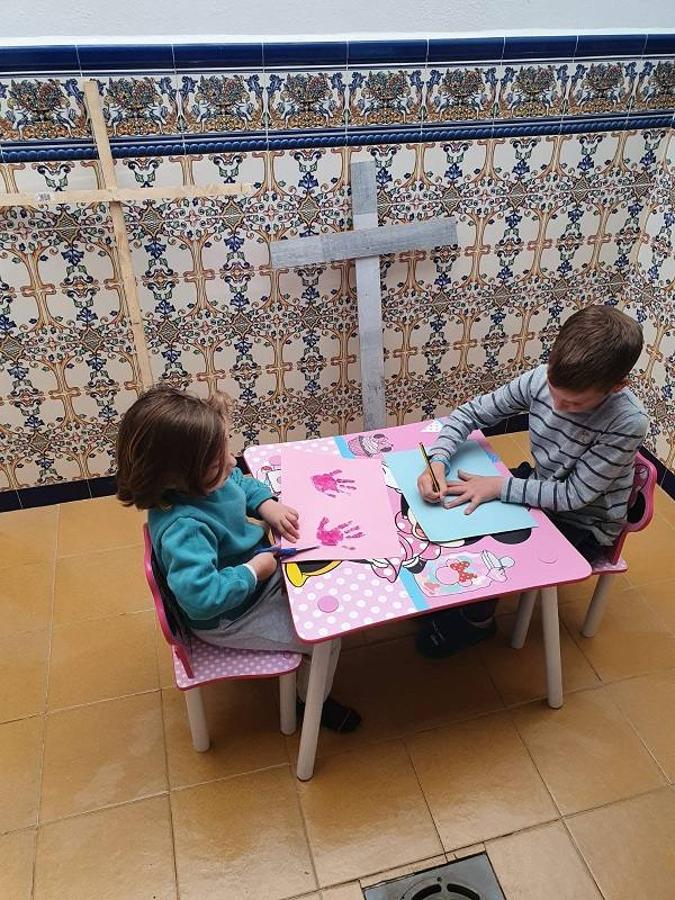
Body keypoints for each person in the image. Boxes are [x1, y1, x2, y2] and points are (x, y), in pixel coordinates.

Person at [116, 385, 361, 732]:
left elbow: (239, 484)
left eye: (226, 450)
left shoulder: (205, 479)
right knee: (327, 635)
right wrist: (252, 572)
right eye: (218, 463)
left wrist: (266, 504)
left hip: (258, 570)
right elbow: (201, 599)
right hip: (229, 616)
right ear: (175, 478)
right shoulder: (184, 529)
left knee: (332, 574)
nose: (232, 463)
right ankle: (312, 705)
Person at [416, 305, 648, 658]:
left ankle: (477, 622)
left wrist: (498, 487)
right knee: (463, 516)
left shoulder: (627, 421)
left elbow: (575, 496)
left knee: (492, 545)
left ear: (617, 387)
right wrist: (438, 460)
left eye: (574, 403)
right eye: (555, 393)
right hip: (543, 486)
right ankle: (457, 601)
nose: (557, 406)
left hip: (584, 522)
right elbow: (469, 413)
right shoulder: (540, 378)